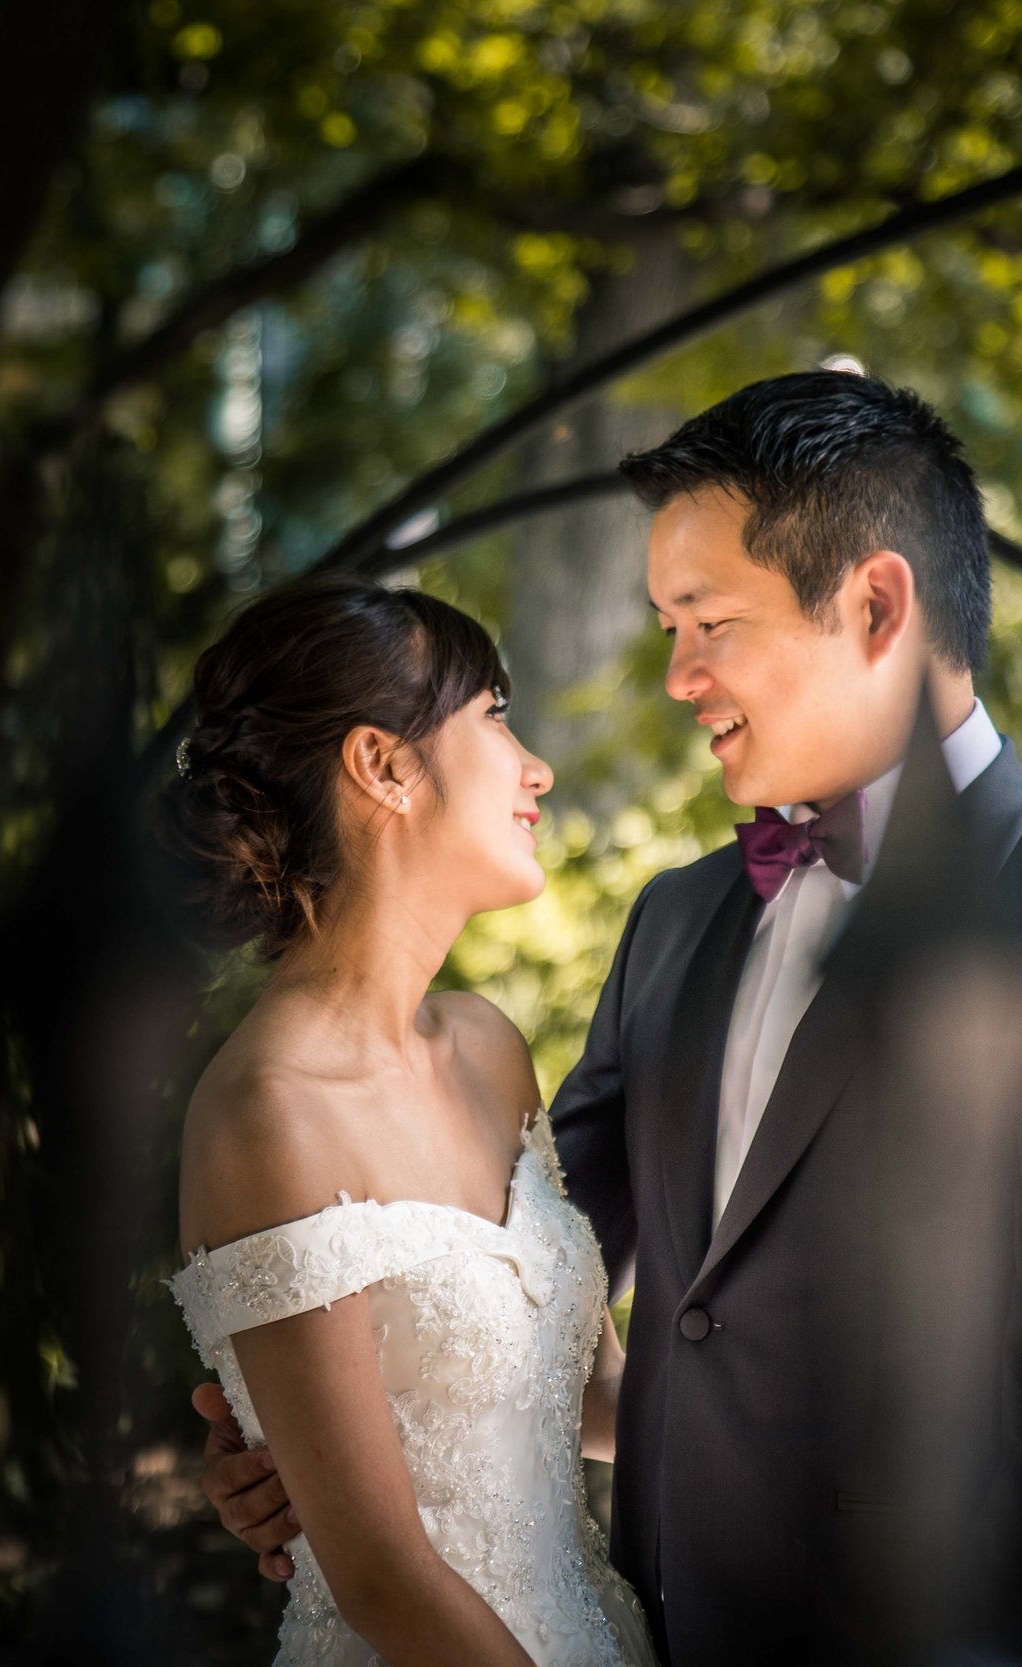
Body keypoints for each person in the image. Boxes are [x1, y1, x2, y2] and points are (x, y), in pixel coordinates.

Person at [198, 371, 1022, 1664]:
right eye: (665, 624)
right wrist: (309, 1433)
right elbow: (504, 1304)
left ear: (874, 604)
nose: (679, 674)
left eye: (707, 621)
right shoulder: (676, 925)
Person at [161, 575, 658, 1667]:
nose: (536, 765)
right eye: (493, 713)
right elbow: (383, 1579)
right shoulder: (265, 1115)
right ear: (382, 763)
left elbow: (593, 1390)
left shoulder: (488, 1046)